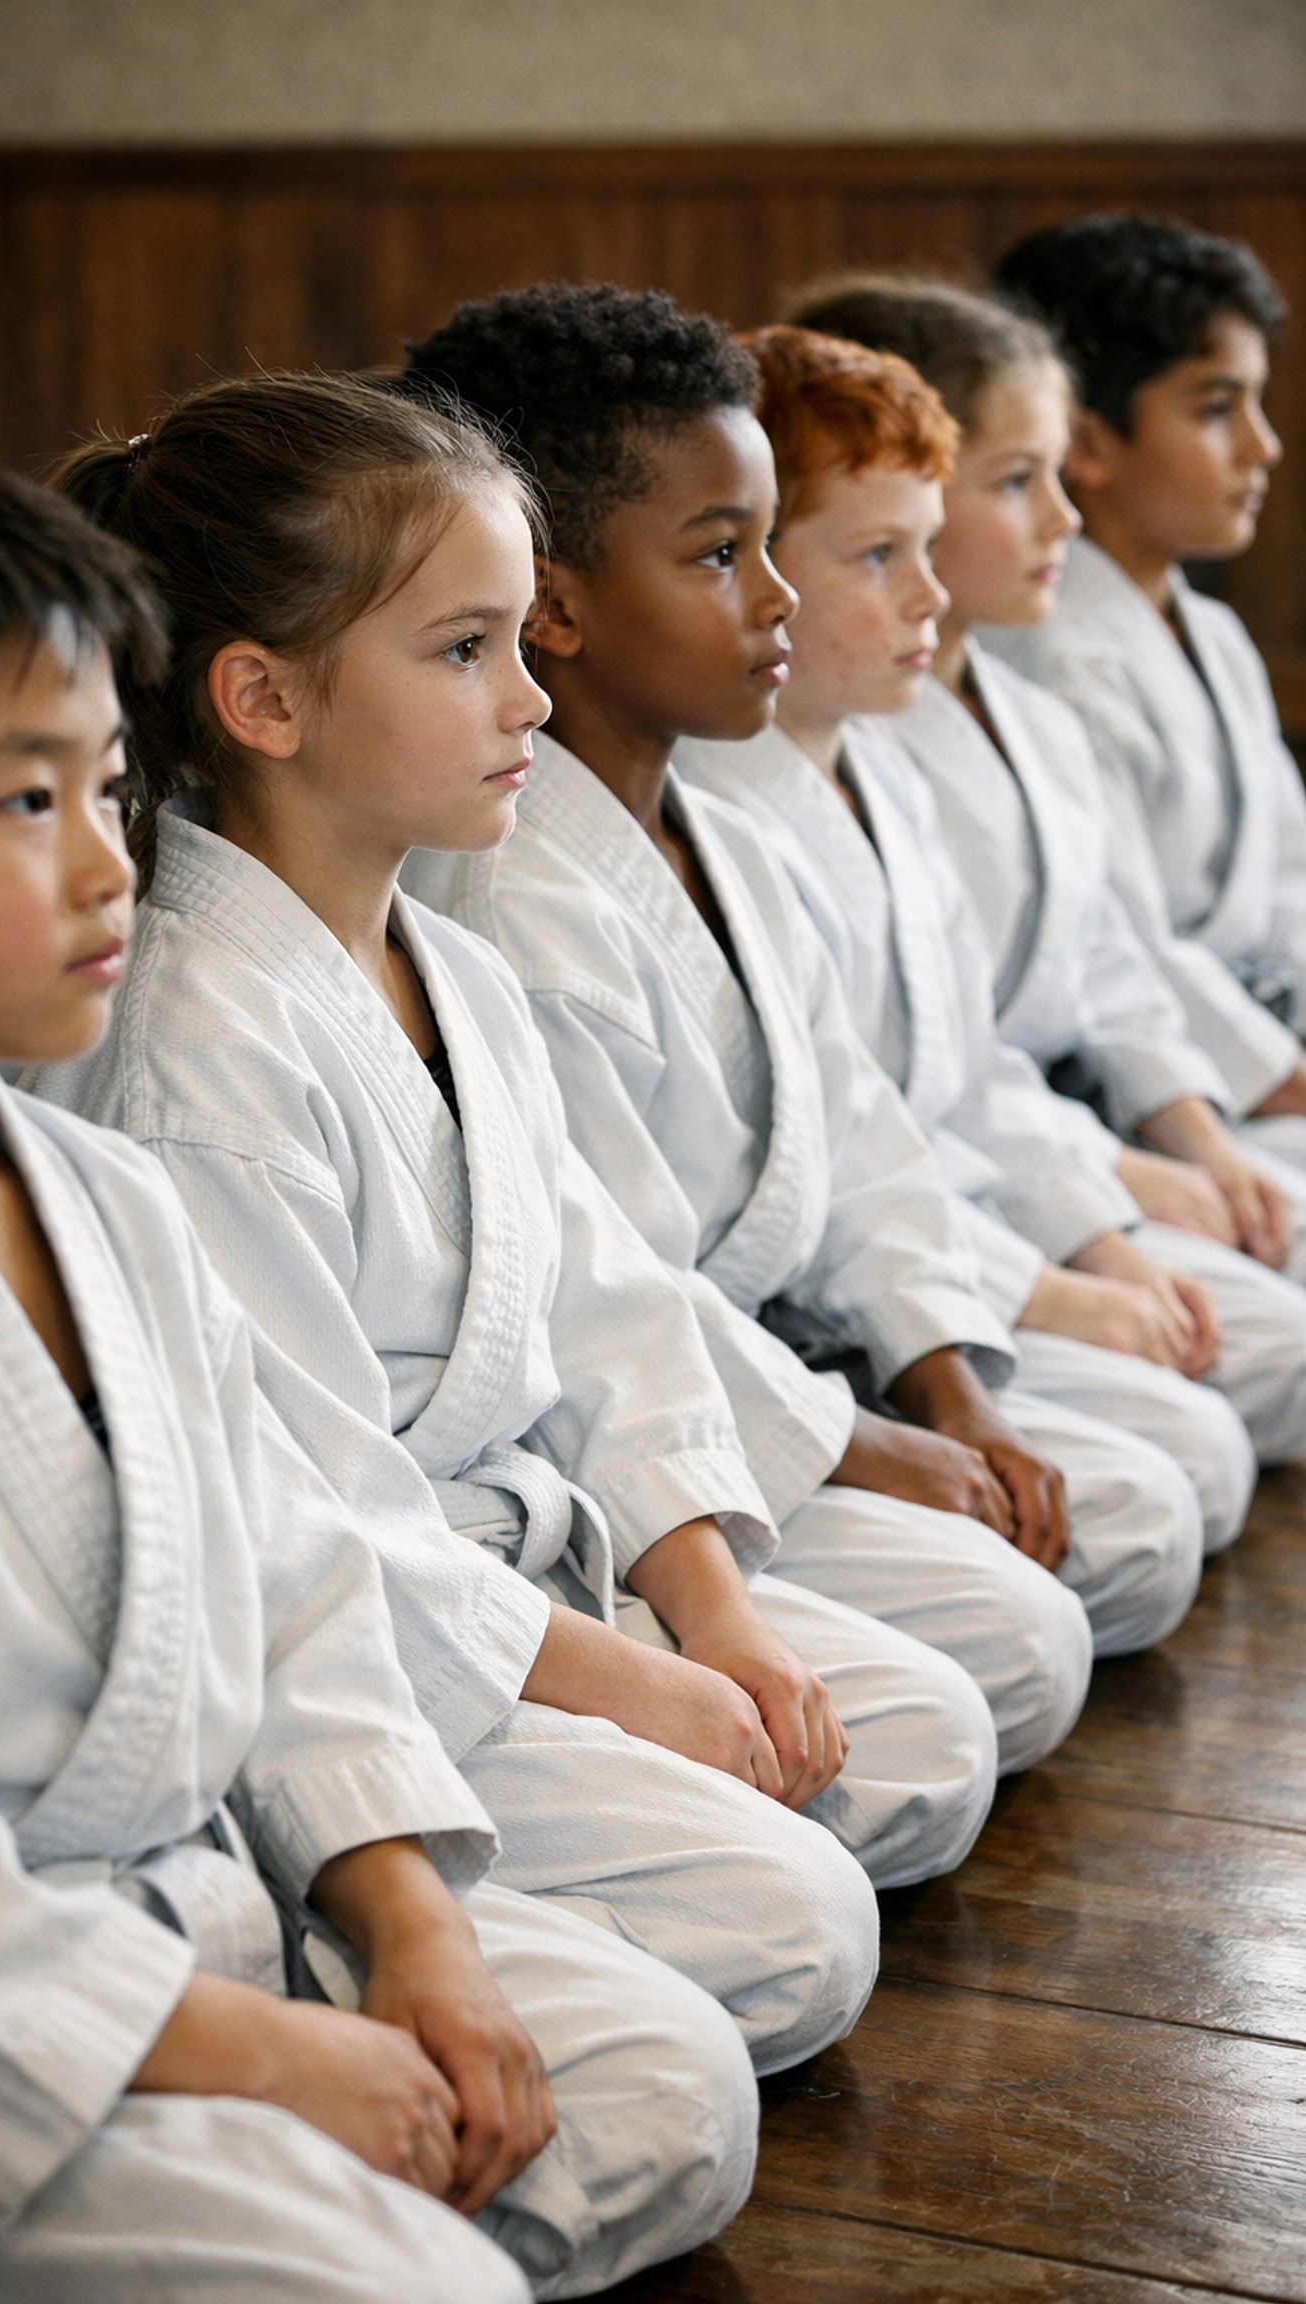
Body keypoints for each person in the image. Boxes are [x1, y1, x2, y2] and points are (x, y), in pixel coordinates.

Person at [0, 430, 775, 2303]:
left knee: (679, 2087)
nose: (108, 861)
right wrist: (270, 2056)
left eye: (109, 785)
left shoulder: (91, 1196)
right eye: (24, 801)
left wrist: (412, 1926)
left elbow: (297, 1591)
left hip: (220, 1896)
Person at [29, 370, 990, 1920]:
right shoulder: (197, 1049)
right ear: (264, 700)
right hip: (374, 1644)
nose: (532, 697)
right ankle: (383, 1919)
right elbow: (311, 1522)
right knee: (799, 1923)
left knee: (933, 1736)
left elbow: (610, 1316)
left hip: (531, 1566)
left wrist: (714, 1615)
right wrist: (628, 1681)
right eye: (467, 649)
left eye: (516, 644)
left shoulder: (452, 972)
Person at [399, 281, 1205, 1768]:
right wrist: (858, 1437)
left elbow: (865, 1139)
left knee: (1141, 1522)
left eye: (774, 547)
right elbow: (618, 1290)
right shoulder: (514, 905)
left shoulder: (726, 837)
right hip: (660, 1426)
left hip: (771, 1375)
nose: (775, 598)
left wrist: (946, 1378)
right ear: (553, 604)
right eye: (723, 554)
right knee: (1017, 1659)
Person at [672, 319, 1265, 1553]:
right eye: (880, 554)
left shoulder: (882, 775)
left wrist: (1099, 1232)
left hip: (957, 1236)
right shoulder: (721, 820)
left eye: (928, 546)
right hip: (836, 1307)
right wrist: (1042, 1285)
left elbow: (973, 1067)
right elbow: (847, 1150)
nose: (930, 596)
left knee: (1190, 1465)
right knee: (1169, 1495)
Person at [785, 274, 1306, 1474]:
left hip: (1027, 1152)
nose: (1064, 518)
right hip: (950, 1203)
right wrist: (1099, 1213)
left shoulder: (1020, 719)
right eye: (1021, 480)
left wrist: (1182, 1146)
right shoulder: (847, 750)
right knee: (1224, 1423)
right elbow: (916, 1107)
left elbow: (1116, 968)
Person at [982, 214, 1306, 1166]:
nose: (1263, 446)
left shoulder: (1215, 636)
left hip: (1268, 1045)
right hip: (1162, 1086)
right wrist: (1276, 1071)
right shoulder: (1049, 658)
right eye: (1216, 409)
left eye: (1257, 404)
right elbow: (1120, 937)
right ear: (1085, 442)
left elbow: (1290, 878)